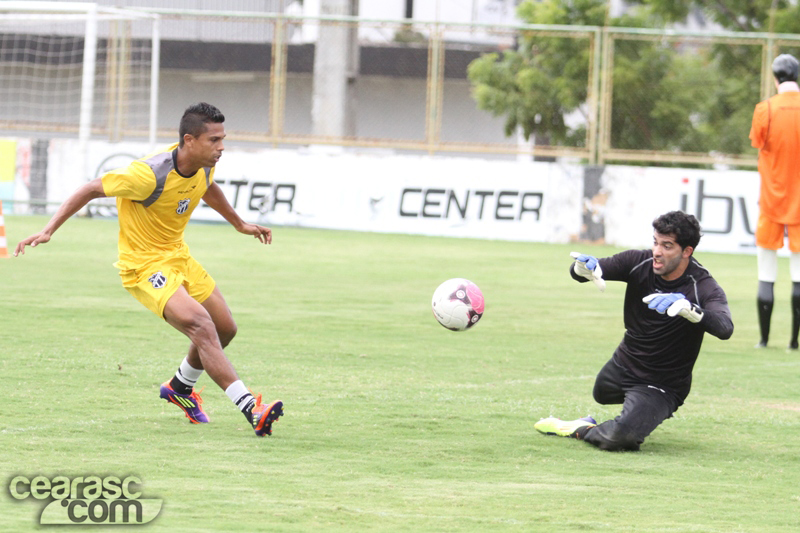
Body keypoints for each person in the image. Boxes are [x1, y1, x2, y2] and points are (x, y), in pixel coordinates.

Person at [14, 102, 283, 437]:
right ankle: (251, 408)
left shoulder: (204, 165)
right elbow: (91, 188)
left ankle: (180, 387)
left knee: (225, 328)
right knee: (201, 324)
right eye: (214, 140)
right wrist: (48, 230)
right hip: (143, 266)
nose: (221, 147)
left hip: (179, 257)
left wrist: (239, 223)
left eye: (222, 139)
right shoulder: (147, 175)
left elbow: (206, 187)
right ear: (189, 140)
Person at [534, 211, 733, 451]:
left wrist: (690, 310)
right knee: (601, 393)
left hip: (663, 383)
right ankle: (637, 410)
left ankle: (581, 428)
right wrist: (579, 269)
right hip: (623, 365)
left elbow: (725, 327)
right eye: (655, 242)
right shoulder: (639, 262)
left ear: (686, 251)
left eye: (667, 246)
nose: (657, 251)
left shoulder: (702, 285)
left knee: (619, 438)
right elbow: (591, 270)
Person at [749, 53, 800, 350]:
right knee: (799, 275)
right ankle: (794, 341)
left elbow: (758, 142)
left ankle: (764, 340)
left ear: (775, 77)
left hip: (770, 202)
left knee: (766, 272)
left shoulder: (765, 109)